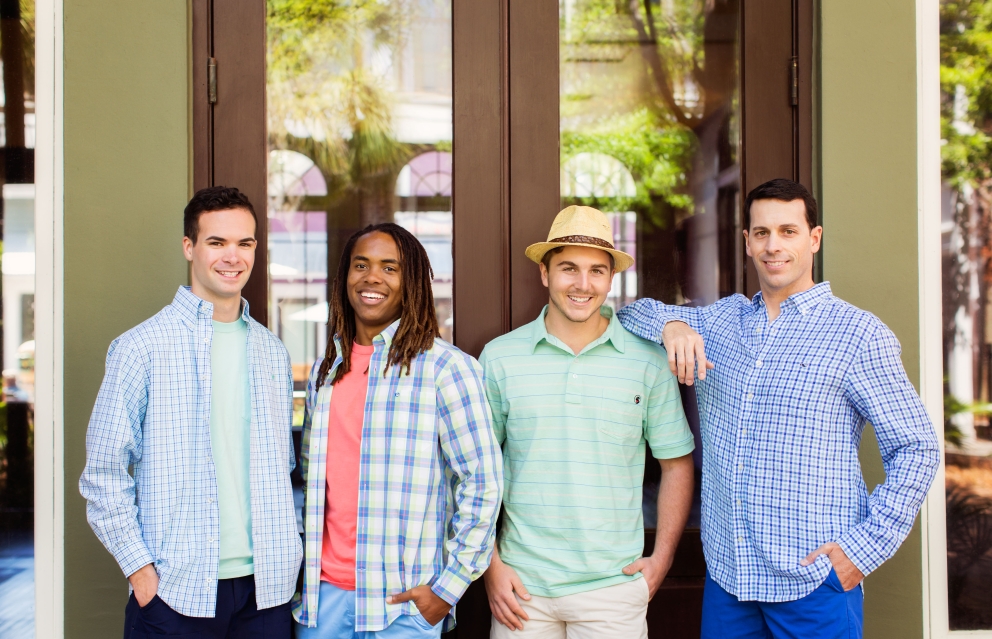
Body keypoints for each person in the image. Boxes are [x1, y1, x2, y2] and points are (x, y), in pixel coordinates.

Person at [618, 178, 941, 639]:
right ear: (747, 242)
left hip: (814, 583)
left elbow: (917, 448)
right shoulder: (719, 321)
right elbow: (630, 313)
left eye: (788, 231)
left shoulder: (858, 335)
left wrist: (862, 551)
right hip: (730, 578)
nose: (774, 246)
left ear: (814, 238)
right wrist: (671, 324)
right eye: (762, 233)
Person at [80, 186, 302, 638]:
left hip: (269, 594)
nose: (232, 256)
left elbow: (286, 467)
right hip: (175, 596)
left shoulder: (271, 351)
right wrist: (141, 573)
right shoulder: (140, 348)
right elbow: (102, 474)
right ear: (189, 247)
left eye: (245, 243)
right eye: (216, 242)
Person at [480, 205, 695, 639]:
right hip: (521, 590)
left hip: (613, 589)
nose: (583, 284)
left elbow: (677, 464)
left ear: (611, 279)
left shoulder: (648, 361)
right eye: (568, 268)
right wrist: (491, 567)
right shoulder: (499, 358)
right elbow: (476, 472)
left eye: (597, 271)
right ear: (545, 273)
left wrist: (662, 559)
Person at [292, 223, 503, 638]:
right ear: (344, 278)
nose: (373, 277)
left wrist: (447, 589)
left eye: (391, 268)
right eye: (361, 265)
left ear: (411, 283)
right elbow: (311, 480)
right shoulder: (326, 370)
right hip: (322, 601)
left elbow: (483, 483)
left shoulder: (447, 369)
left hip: (402, 608)